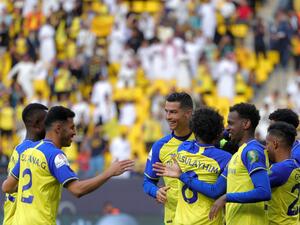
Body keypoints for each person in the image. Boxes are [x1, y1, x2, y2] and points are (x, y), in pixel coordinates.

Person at [2, 106, 134, 224]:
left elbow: (7, 187)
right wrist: (108, 173)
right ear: (58, 129)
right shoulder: (55, 155)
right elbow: (77, 190)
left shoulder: (28, 151)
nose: (74, 132)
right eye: (71, 128)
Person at [153, 107, 232, 225]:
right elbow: (215, 191)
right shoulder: (225, 158)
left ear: (194, 130)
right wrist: (224, 133)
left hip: (181, 221)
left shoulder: (183, 149)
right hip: (208, 222)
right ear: (217, 132)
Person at [143, 92, 194, 225]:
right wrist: (156, 192)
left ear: (188, 113)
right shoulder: (160, 146)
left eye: (173, 112)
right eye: (166, 112)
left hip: (202, 218)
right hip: (173, 219)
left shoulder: (205, 140)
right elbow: (147, 182)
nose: (168, 117)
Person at [3, 103, 48, 225]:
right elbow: (9, 187)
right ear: (37, 124)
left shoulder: (19, 148)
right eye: (47, 122)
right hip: (18, 218)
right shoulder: (32, 151)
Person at [266, 121, 300, 225]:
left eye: (267, 144)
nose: (265, 148)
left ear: (275, 144)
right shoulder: (294, 165)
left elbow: (253, 183)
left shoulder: (280, 169)